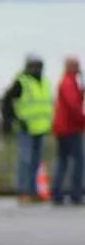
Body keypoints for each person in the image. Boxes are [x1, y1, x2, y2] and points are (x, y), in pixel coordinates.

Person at [2, 54, 53, 203]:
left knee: (36, 162)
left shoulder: (44, 82)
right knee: (25, 160)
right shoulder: (21, 82)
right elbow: (7, 101)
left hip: (41, 127)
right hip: (26, 127)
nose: (37, 70)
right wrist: (12, 120)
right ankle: (23, 191)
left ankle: (33, 191)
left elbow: (47, 105)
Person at [51, 56, 85, 205]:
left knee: (63, 160)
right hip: (70, 127)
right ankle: (75, 193)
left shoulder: (68, 82)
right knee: (77, 160)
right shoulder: (69, 83)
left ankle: (58, 192)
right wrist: (83, 120)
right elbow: (73, 106)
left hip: (63, 127)